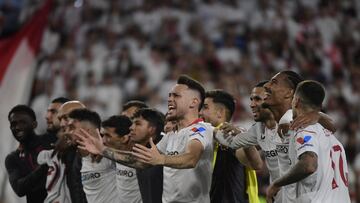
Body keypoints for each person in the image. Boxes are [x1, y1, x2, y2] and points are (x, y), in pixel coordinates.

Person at [77, 75, 214, 202]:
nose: (170, 99)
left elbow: (191, 158)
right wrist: (103, 150)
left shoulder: (201, 129)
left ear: (193, 102)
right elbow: (140, 162)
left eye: (176, 96)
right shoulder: (172, 135)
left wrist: (161, 159)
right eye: (169, 95)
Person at [266, 80, 351, 203]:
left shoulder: (304, 128)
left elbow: (309, 165)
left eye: (293, 98)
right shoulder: (331, 136)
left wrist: (277, 184)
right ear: (320, 107)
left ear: (297, 101)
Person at [213, 82, 282, 202]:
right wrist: (212, 131)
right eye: (251, 99)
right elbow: (235, 144)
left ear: (272, 100)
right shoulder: (258, 129)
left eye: (257, 99)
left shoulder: (290, 124)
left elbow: (308, 166)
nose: (252, 104)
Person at [200, 89, 262, 203]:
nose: (200, 112)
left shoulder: (229, 136)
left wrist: (243, 139)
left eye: (205, 107)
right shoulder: (205, 138)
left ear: (220, 112)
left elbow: (255, 163)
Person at [5, 105, 48, 203]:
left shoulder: (50, 141)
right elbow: (19, 189)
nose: (18, 127)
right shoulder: (12, 158)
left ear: (34, 124)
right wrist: (44, 167)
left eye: (23, 122)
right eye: (13, 124)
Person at [57, 101, 88, 203]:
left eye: (66, 118)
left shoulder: (101, 146)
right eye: (60, 119)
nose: (61, 124)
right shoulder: (69, 150)